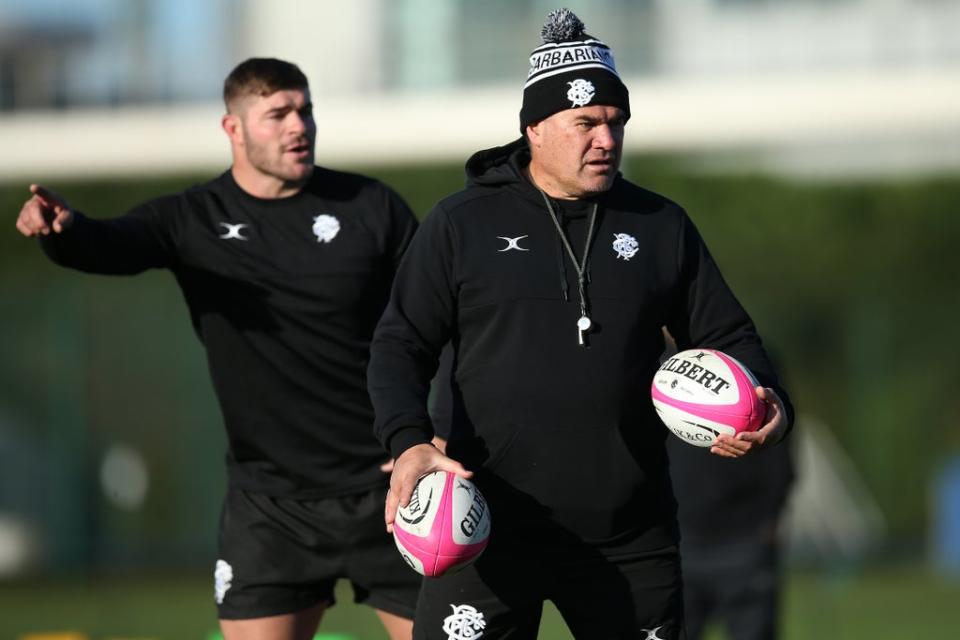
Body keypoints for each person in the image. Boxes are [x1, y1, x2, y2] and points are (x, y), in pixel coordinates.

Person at [367, 9, 795, 640]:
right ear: (535, 128)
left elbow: (729, 338)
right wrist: (408, 441)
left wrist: (769, 405)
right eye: (585, 123)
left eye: (616, 123)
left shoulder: (660, 225)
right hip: (485, 526)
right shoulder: (462, 225)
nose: (606, 139)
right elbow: (400, 344)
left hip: (630, 535)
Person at [15, 58, 421, 640]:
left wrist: (429, 431)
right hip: (270, 506)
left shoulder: (371, 207)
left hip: (389, 491)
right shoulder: (193, 219)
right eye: (277, 113)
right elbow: (111, 244)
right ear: (233, 128)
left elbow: (438, 319)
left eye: (304, 110)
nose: (297, 126)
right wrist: (65, 232)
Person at [665, 338, 795, 640]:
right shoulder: (650, 361)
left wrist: (771, 515)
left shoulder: (748, 360)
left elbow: (781, 444)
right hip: (675, 538)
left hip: (743, 536)